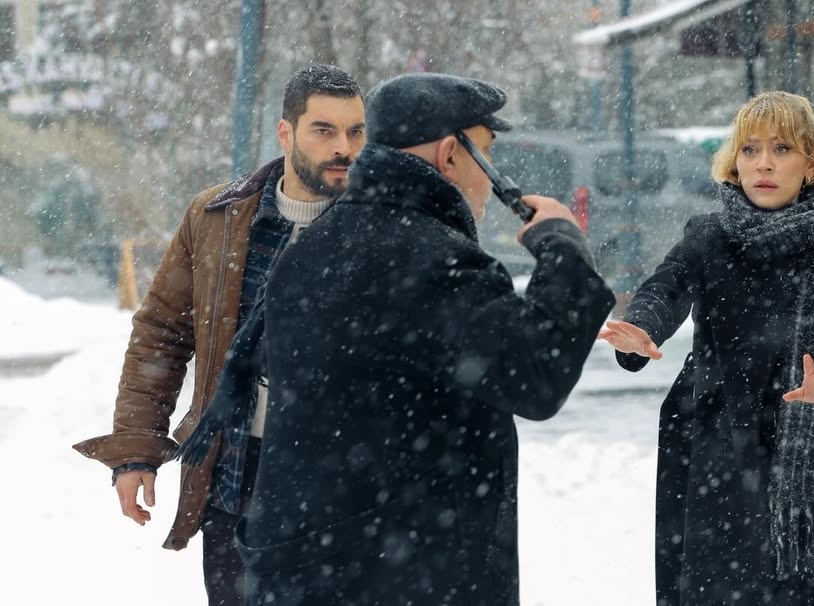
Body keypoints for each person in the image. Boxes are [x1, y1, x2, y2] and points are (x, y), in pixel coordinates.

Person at [178, 72, 616, 606]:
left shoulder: (312, 249)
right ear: (450, 154)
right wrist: (564, 250)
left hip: (306, 566)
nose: (492, 177)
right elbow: (536, 376)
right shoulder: (434, 261)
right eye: (487, 155)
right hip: (403, 573)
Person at [599, 91, 814, 606]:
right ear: (735, 162)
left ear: (811, 164)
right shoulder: (709, 237)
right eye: (750, 149)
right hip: (721, 456)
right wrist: (641, 328)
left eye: (781, 148)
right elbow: (666, 287)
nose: (763, 163)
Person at [72, 64, 366, 606]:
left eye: (355, 131)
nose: (343, 147)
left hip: (341, 484)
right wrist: (136, 449)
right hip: (234, 474)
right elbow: (161, 333)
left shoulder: (378, 227)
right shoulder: (220, 218)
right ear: (286, 134)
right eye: (324, 130)